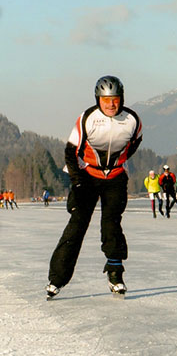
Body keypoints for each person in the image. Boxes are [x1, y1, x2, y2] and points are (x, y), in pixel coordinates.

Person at [46, 75, 142, 299]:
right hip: (88, 177)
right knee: (77, 225)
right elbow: (71, 151)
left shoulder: (132, 120)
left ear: (122, 98)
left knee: (112, 224)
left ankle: (115, 273)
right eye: (106, 99)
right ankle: (57, 279)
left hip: (116, 178)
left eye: (115, 99)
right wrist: (77, 181)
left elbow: (134, 143)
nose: (111, 104)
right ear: (98, 99)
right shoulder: (87, 118)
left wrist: (117, 164)